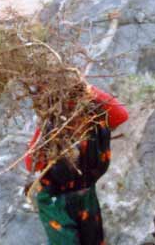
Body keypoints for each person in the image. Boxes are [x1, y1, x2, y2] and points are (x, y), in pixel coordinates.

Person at [25, 83, 129, 245]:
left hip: (85, 194)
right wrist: (47, 132)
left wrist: (87, 88)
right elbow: (31, 163)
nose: (76, 119)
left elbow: (121, 115)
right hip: (56, 201)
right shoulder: (51, 129)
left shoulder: (95, 122)